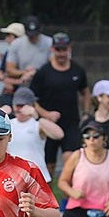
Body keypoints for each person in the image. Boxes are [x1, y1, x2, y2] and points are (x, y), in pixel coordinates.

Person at [5, 87, 63, 217]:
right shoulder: (8, 124)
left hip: (36, 181)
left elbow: (58, 134)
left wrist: (38, 116)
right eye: (17, 105)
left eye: (23, 105)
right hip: (11, 181)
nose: (19, 109)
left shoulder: (36, 125)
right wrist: (0, 114)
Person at [30, 32, 89, 165]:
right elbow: (32, 99)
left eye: (64, 49)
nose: (61, 53)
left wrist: (86, 113)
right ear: (52, 49)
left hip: (71, 122)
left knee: (71, 160)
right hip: (48, 124)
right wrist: (46, 114)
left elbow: (85, 92)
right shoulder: (43, 72)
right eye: (58, 49)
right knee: (48, 164)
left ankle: (67, 186)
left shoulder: (78, 70)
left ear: (70, 48)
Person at [4, 15, 53, 88]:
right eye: (30, 34)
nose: (32, 37)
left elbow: (54, 67)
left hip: (46, 86)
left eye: (35, 34)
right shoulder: (16, 44)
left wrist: (36, 72)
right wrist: (25, 72)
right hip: (24, 87)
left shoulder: (49, 43)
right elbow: (9, 70)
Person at [0, 22, 25, 104]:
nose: (6, 39)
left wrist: (11, 81)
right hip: (8, 95)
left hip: (24, 96)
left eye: (9, 36)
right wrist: (5, 79)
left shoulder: (28, 54)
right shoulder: (8, 52)